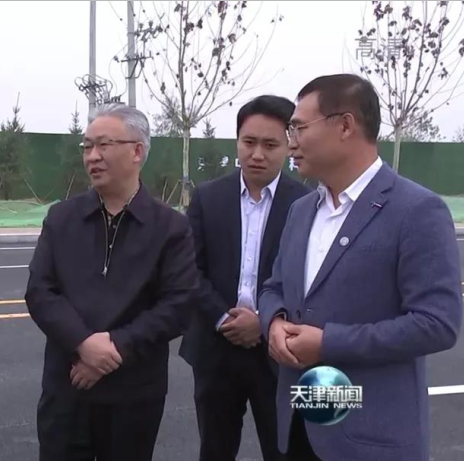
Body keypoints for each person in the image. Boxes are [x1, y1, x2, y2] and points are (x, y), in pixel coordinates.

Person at [258, 73, 462, 461]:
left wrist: (328, 343)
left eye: (299, 127)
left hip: (370, 438)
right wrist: (275, 322)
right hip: (300, 422)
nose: (291, 142)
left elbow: (437, 323)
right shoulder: (301, 210)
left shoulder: (417, 210)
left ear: (345, 126)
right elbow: (274, 287)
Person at [25, 103, 200, 461]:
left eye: (104, 145)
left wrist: (115, 347)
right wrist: (83, 344)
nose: (92, 156)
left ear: (137, 151)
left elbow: (178, 305)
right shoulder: (62, 218)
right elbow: (40, 291)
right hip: (68, 385)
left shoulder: (170, 227)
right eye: (87, 146)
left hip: (133, 393)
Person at [179, 95, 310, 461]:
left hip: (278, 352)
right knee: (215, 449)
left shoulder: (306, 203)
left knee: (285, 450)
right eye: (248, 142)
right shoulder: (207, 198)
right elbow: (189, 269)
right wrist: (223, 318)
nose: (257, 154)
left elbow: (308, 282)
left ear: (289, 145)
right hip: (216, 349)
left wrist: (263, 323)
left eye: (270, 145)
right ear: (237, 141)